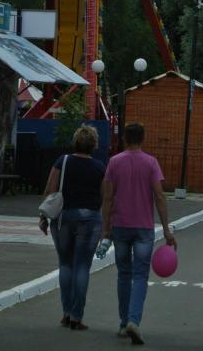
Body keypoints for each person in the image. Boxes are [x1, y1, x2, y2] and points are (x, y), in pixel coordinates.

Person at [101, 122, 177, 346]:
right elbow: (160, 197)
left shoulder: (114, 162)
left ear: (124, 138)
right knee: (140, 275)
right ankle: (134, 320)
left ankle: (124, 323)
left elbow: (107, 197)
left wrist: (106, 228)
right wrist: (166, 229)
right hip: (144, 228)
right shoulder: (151, 163)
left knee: (123, 274)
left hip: (120, 226)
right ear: (142, 139)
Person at [39, 125, 105, 330]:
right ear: (93, 145)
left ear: (75, 141)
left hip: (63, 218)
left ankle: (66, 312)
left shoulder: (63, 161)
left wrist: (43, 216)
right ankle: (77, 316)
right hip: (90, 220)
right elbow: (104, 197)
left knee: (65, 264)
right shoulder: (99, 167)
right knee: (82, 267)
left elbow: (50, 189)